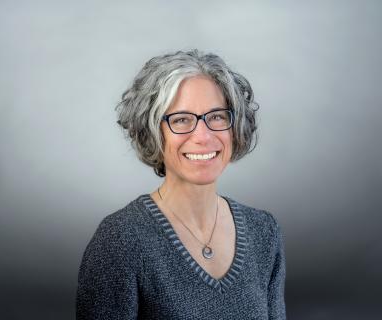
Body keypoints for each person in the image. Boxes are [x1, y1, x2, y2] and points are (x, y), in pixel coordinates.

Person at [76, 49, 286, 319]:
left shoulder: (264, 232)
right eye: (181, 120)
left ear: (235, 127)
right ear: (153, 131)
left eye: (217, 117)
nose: (203, 135)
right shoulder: (120, 240)